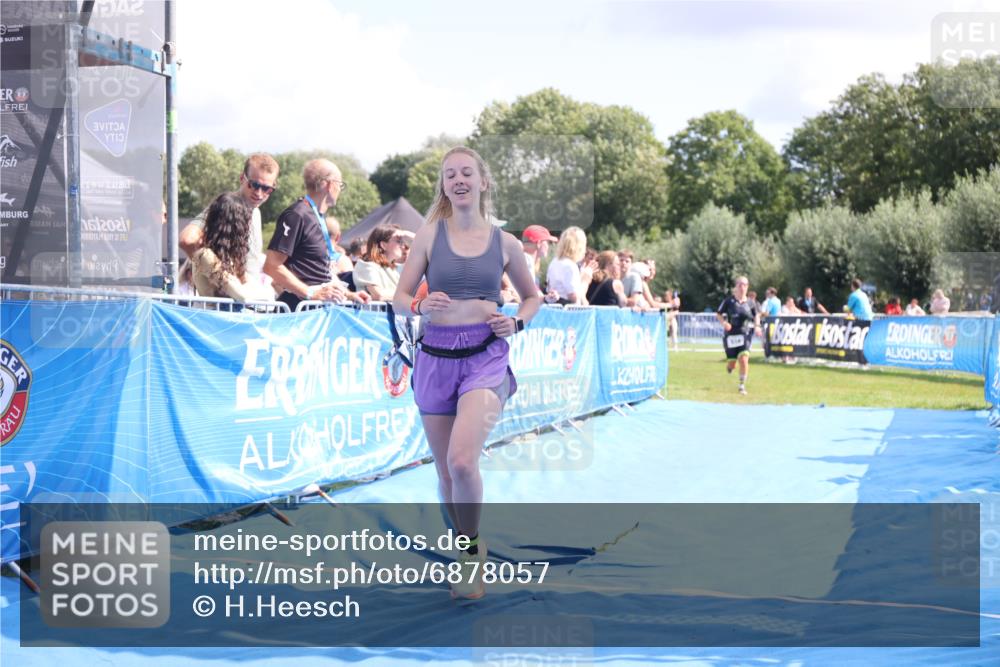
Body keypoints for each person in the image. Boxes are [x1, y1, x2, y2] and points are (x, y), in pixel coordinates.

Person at [392, 146, 540, 600]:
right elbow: (400, 299)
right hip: (435, 357)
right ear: (444, 185)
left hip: (484, 355)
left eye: (466, 173)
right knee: (445, 474)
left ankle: (471, 554)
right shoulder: (429, 236)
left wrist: (516, 322)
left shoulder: (506, 243)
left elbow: (532, 297)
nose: (458, 180)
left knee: (461, 462)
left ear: (482, 182)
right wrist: (421, 305)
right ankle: (466, 547)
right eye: (450, 174)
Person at [263, 159, 370, 310]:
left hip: (315, 311)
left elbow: (320, 272)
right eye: (340, 185)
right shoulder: (297, 214)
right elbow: (271, 266)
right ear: (330, 184)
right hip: (298, 311)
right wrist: (310, 293)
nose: (340, 190)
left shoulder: (316, 217)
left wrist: (349, 294)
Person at [179, 153, 279, 294]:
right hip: (227, 303)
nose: (259, 193)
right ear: (242, 178)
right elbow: (187, 240)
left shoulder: (255, 211)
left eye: (266, 189)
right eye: (254, 185)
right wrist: (224, 281)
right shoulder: (226, 207)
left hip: (248, 299)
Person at [189, 193, 276, 302]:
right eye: (245, 223)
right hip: (213, 313)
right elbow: (242, 295)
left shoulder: (229, 258)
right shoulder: (205, 255)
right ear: (236, 226)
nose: (247, 229)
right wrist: (266, 294)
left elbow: (251, 286)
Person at [716, 276, 762, 396]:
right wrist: (724, 323)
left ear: (747, 287)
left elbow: (756, 315)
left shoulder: (751, 303)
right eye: (740, 285)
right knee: (732, 364)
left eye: (745, 285)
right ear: (736, 286)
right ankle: (730, 367)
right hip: (731, 335)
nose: (742, 287)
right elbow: (719, 314)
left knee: (744, 359)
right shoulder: (728, 301)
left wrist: (757, 326)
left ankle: (742, 385)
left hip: (745, 334)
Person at [353, 223, 404, 301]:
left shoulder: (397, 268)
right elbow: (379, 295)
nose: (403, 246)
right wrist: (406, 296)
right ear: (383, 245)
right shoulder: (366, 266)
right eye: (399, 241)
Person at [546, 226, 592, 305]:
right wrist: (585, 281)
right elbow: (574, 297)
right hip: (567, 309)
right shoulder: (570, 265)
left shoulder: (555, 261)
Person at [521, 224, 557, 291]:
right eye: (548, 242)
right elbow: (529, 292)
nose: (548, 246)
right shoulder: (527, 260)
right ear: (539, 243)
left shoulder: (525, 259)